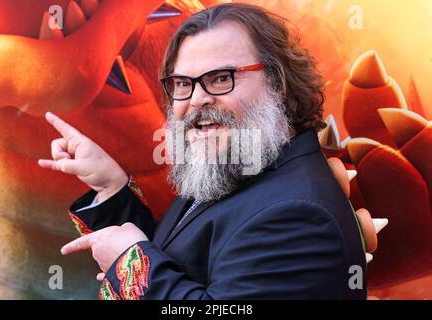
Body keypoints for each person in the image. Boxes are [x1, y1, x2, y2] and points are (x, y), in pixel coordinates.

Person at [39, 3, 373, 299]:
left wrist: (131, 264)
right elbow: (182, 260)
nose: (197, 99)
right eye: (183, 84)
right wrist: (112, 187)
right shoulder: (243, 162)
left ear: (279, 85)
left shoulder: (298, 216)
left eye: (220, 78)